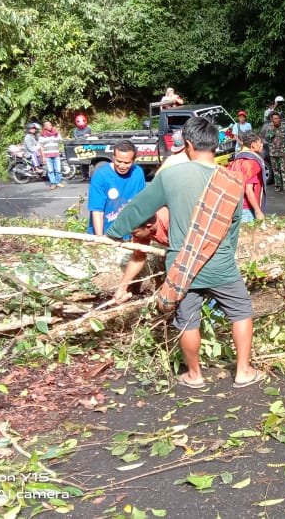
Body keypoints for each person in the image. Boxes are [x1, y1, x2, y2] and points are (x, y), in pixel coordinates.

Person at [107, 116, 264, 389]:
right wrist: (225, 253)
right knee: (241, 311)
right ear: (215, 145)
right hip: (221, 263)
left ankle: (194, 375)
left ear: (188, 145)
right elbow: (235, 226)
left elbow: (138, 209)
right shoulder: (232, 180)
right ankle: (243, 371)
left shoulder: (170, 176)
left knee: (187, 320)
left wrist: (112, 233)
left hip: (182, 265)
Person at [86, 140, 146, 235]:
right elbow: (97, 210)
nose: (122, 166)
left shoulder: (138, 173)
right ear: (113, 157)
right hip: (104, 232)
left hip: (128, 234)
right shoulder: (100, 175)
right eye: (118, 161)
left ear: (133, 161)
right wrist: (100, 239)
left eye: (127, 163)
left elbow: (141, 204)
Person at [113, 208, 170, 303]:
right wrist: (122, 288)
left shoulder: (169, 222)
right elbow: (138, 257)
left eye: (134, 233)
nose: (133, 235)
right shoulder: (141, 229)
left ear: (149, 226)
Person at [230, 131, 267, 222]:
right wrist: (258, 211)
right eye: (260, 142)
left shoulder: (238, 159)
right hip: (247, 210)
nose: (262, 145)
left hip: (236, 206)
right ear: (253, 145)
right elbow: (248, 190)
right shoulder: (251, 163)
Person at [265, 111, 285, 192]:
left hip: (283, 153)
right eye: (274, 119)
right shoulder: (269, 128)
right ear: (272, 120)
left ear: (280, 119)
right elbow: (267, 139)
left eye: (277, 118)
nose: (276, 120)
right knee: (276, 171)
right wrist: (272, 131)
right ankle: (278, 187)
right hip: (273, 153)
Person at [39, 121, 64, 190]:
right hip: (47, 155)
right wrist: (43, 157)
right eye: (48, 125)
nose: (50, 126)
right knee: (50, 170)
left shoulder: (56, 134)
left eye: (50, 125)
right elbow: (41, 147)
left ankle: (58, 182)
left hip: (56, 154)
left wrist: (58, 133)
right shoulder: (42, 136)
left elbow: (61, 141)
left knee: (58, 169)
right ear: (45, 127)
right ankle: (53, 183)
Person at [72, 114, 93, 180]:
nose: (81, 124)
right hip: (79, 147)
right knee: (82, 163)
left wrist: (82, 137)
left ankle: (89, 176)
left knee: (89, 162)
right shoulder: (75, 130)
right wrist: (83, 136)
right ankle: (84, 176)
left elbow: (87, 136)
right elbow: (76, 138)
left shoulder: (88, 128)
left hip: (87, 146)